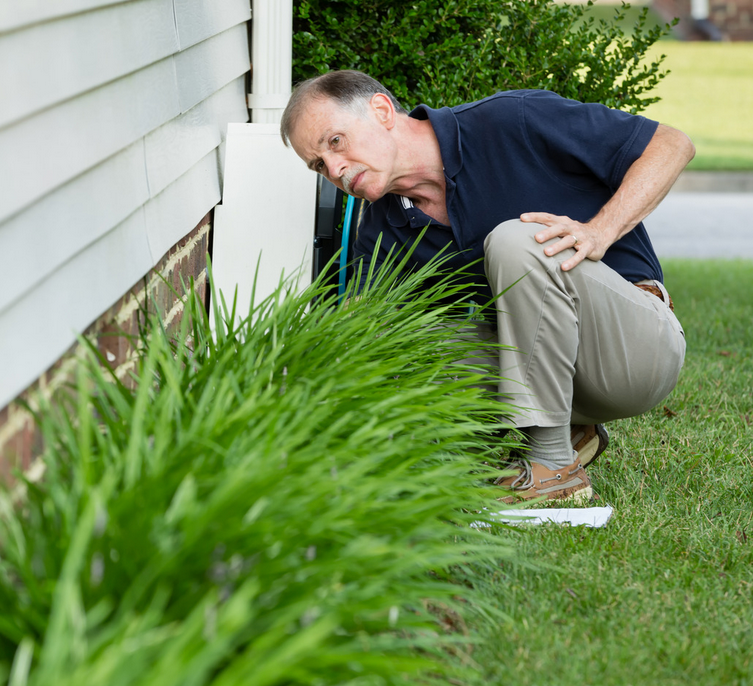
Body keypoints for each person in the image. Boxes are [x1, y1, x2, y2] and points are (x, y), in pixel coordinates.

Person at [280, 70, 693, 503]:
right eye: (319, 165)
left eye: (335, 142)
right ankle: (566, 431)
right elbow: (358, 333)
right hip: (558, 376)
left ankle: (552, 466)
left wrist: (599, 231)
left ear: (381, 110)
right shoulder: (384, 230)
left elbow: (672, 145)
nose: (336, 170)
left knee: (517, 241)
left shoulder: (512, 120)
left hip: (635, 354)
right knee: (394, 338)